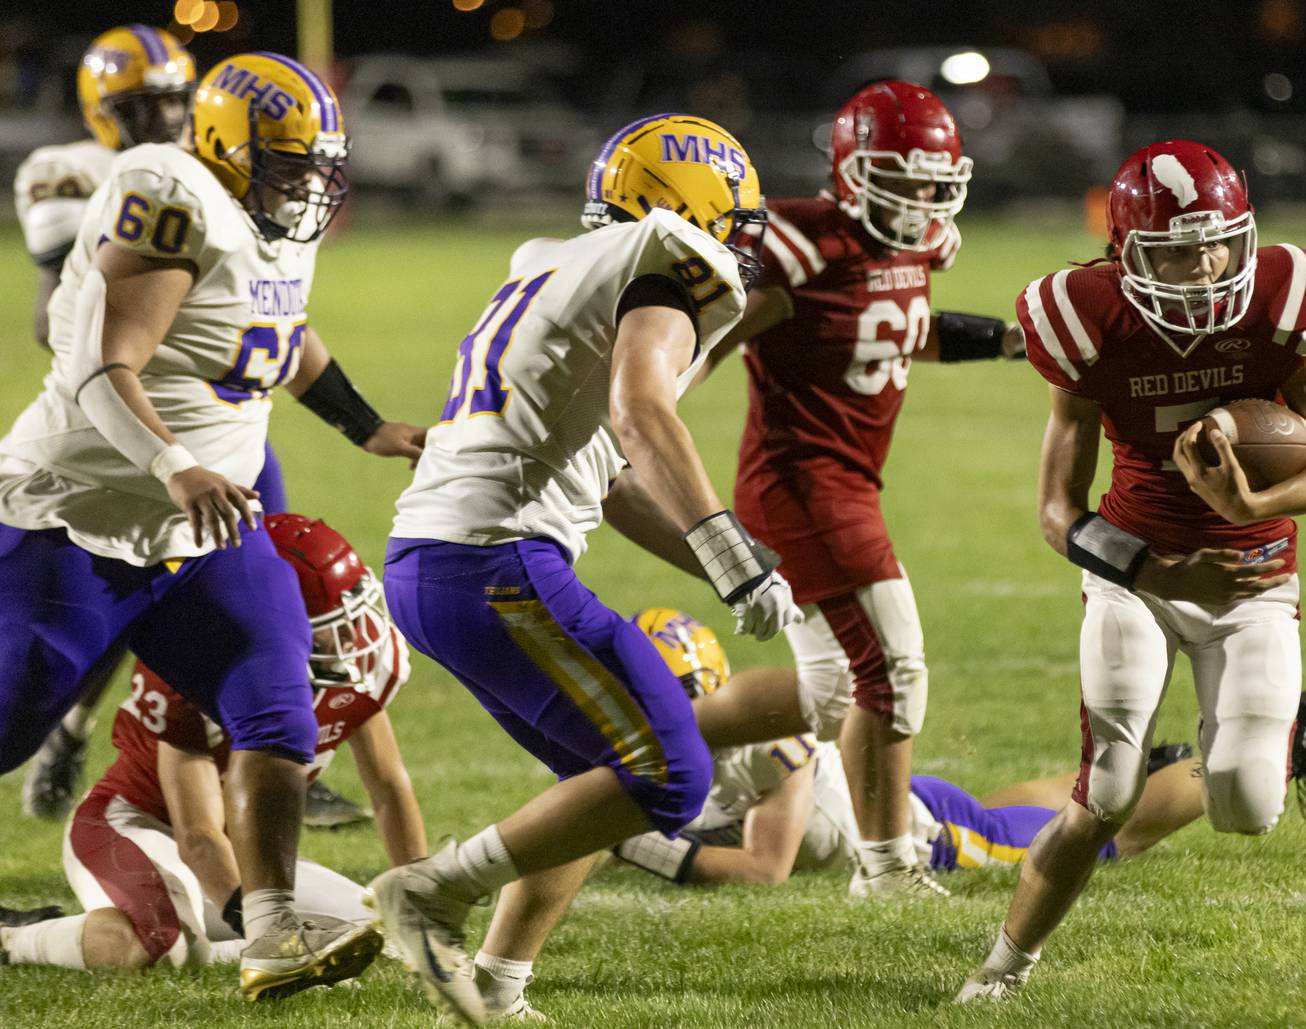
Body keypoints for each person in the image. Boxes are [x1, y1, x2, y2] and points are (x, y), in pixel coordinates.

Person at [0, 52, 426, 1001]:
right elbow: (105, 366)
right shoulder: (171, 194)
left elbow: (284, 331)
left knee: (274, 704)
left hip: (206, 526)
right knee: (8, 718)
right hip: (81, 517)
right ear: (230, 149)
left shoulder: (268, 221)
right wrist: (173, 465)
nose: (307, 185)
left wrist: (368, 426)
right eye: (288, 164)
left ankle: (270, 932)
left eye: (318, 166)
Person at [370, 113, 801, 1024]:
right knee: (673, 773)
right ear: (691, 207)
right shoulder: (664, 267)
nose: (740, 238)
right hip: (495, 563)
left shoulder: (555, 269)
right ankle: (431, 890)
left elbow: (605, 485)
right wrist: (731, 552)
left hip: (436, 562)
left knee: (599, 784)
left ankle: (497, 985)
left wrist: (735, 564)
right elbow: (646, 416)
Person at [958, 139, 1306, 1002]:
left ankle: (1285, 734)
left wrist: (1252, 508)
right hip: (1136, 574)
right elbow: (1056, 511)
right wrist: (1164, 571)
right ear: (1125, 253)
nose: (1208, 264)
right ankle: (1004, 970)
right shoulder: (1084, 316)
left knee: (1248, 803)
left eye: (1222, 241)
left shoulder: (1281, 298)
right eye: (1179, 248)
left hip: (1254, 576)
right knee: (1106, 787)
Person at [12, 29, 363, 828]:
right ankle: (78, 725)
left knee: (270, 626)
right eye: (145, 104)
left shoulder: (246, 198)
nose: (163, 114)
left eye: (175, 98)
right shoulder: (129, 181)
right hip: (122, 437)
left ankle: (270, 762)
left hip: (224, 432)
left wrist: (366, 424)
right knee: (68, 639)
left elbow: (285, 327)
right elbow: (72, 335)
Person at [690, 81, 1021, 898]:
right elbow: (703, 344)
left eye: (932, 180)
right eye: (902, 178)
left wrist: (1009, 341)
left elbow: (902, 329)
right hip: (801, 484)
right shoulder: (805, 244)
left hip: (846, 482)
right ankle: (887, 866)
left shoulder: (915, 246)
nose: (920, 197)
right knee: (894, 669)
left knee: (835, 691)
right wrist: (646, 400)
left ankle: (639, 747)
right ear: (853, 167)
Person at [615, 609, 1306, 887]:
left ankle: (1278, 745)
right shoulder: (699, 732)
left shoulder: (762, 744)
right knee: (1029, 807)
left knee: (1107, 835)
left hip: (927, 831)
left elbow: (763, 868)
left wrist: (636, 846)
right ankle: (1158, 763)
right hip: (908, 802)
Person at [0, 514, 423, 972]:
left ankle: (221, 943)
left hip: (237, 843)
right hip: (132, 825)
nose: (351, 640)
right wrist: (268, 933)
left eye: (354, 613)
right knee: (167, 947)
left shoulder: (360, 672)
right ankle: (14, 942)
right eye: (330, 625)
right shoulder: (194, 676)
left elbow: (387, 785)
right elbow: (197, 834)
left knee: (378, 925)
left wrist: (422, 894)